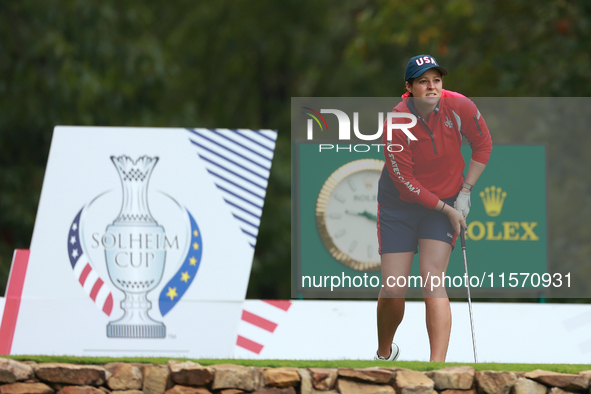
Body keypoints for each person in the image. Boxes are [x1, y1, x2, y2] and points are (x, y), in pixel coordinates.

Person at [374, 54, 492, 362]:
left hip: (447, 199)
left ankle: (436, 368)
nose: (431, 87)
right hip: (399, 205)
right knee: (394, 287)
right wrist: (448, 210)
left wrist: (465, 191)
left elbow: (483, 144)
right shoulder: (397, 122)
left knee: (432, 277)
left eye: (436, 80)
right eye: (423, 82)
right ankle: (384, 353)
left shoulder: (460, 106)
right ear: (409, 87)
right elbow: (406, 184)